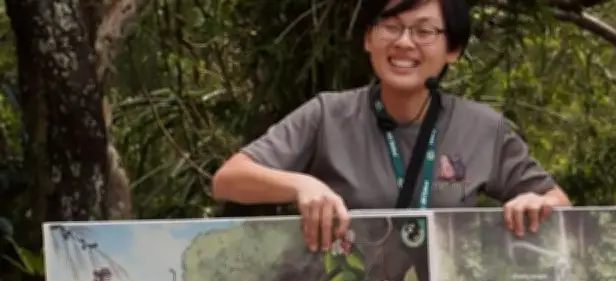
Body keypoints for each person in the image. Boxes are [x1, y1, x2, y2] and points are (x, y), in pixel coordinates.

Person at [212, 0, 571, 251]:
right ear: (369, 38)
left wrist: (533, 203)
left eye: (424, 31)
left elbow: (560, 204)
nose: (403, 42)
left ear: (453, 50)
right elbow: (228, 180)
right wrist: (302, 185)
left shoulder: (483, 128)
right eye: (391, 26)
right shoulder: (328, 115)